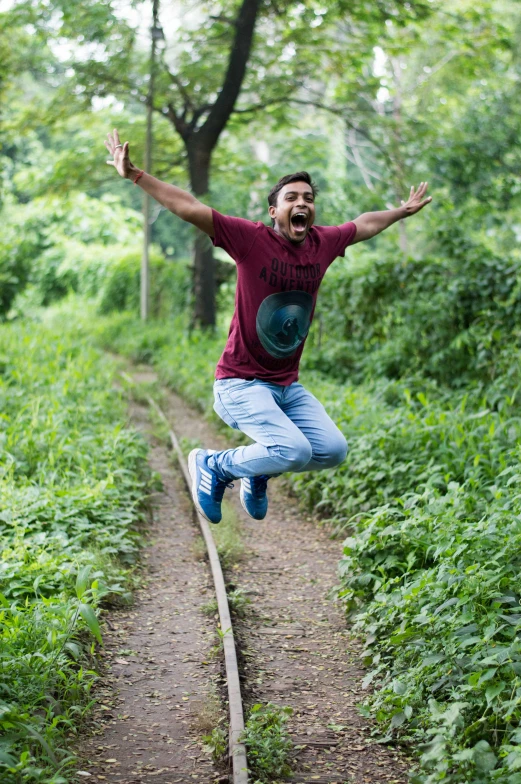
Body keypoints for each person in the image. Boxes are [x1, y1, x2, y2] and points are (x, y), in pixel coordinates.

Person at [105, 129, 432, 524]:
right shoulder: (249, 239)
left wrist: (401, 212)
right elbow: (188, 206)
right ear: (274, 211)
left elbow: (363, 224)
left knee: (331, 450)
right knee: (293, 449)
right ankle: (215, 465)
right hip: (239, 384)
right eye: (291, 198)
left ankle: (256, 470)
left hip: (285, 387)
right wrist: (136, 175)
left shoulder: (322, 243)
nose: (302, 204)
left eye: (308, 199)